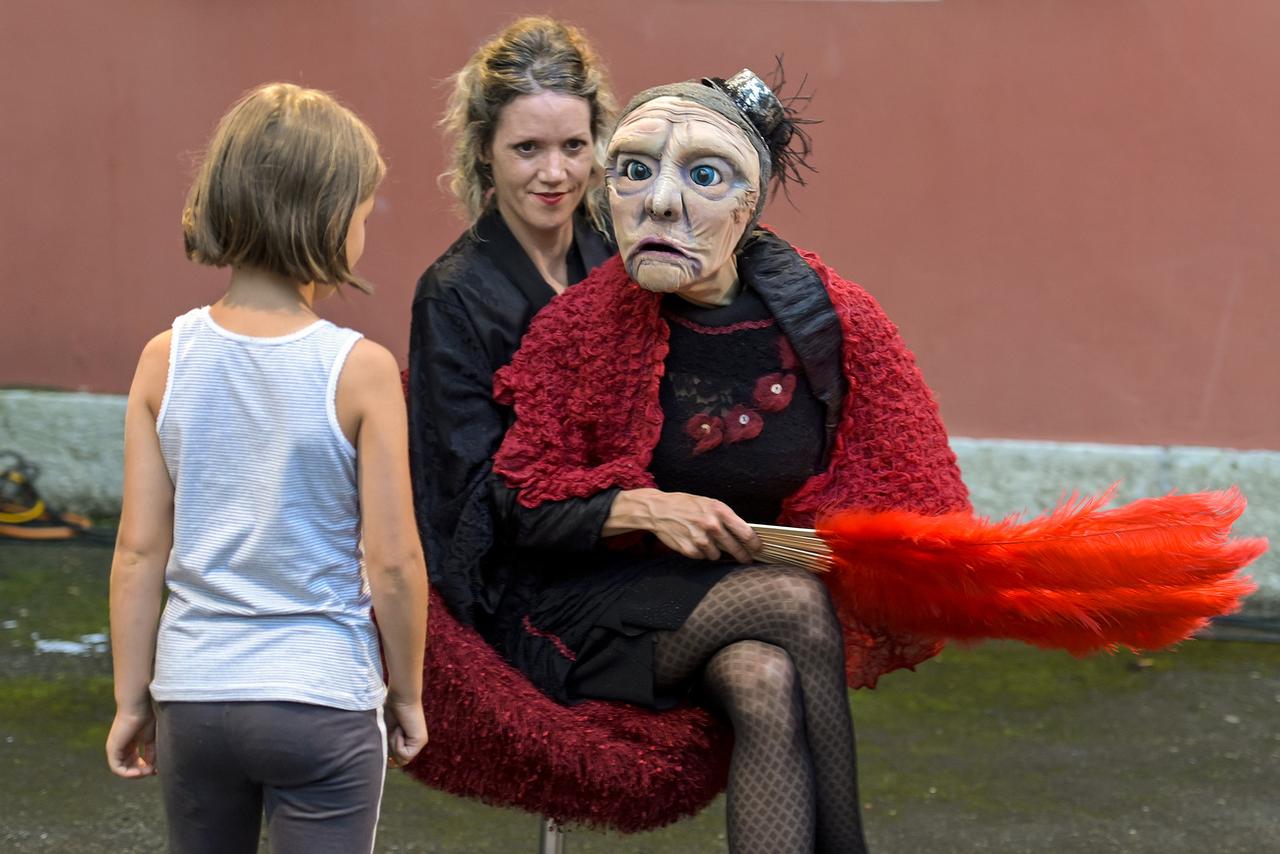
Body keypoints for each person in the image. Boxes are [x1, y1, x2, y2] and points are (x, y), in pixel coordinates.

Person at [487, 70, 971, 854]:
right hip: (580, 612)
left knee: (764, 680)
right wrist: (640, 507)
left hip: (729, 609)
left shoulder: (828, 319)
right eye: (634, 170)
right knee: (789, 605)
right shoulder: (580, 327)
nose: (662, 201)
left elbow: (913, 494)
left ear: (750, 205)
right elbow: (516, 504)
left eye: (704, 174)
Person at [105, 82, 429, 854]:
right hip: (319, 698)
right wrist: (409, 693)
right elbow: (392, 562)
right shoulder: (362, 370)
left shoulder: (163, 360)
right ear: (324, 217)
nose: (362, 231)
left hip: (194, 696)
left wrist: (131, 699)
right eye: (360, 211)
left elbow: (139, 553)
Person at [407, 16, 616, 629]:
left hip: (631, 550)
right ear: (482, 150)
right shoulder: (451, 295)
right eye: (528, 149)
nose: (555, 174)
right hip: (525, 584)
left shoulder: (621, 256)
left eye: (573, 147)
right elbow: (466, 503)